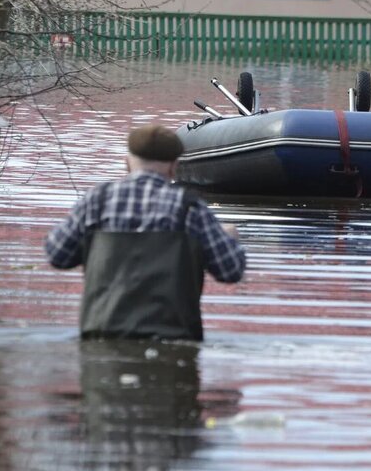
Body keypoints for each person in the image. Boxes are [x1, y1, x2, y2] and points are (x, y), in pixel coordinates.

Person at [45, 124, 246, 341]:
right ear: (173, 167)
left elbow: (58, 256)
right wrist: (229, 238)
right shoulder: (190, 208)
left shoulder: (97, 200)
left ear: (127, 163)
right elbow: (230, 271)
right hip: (173, 339)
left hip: (102, 336)